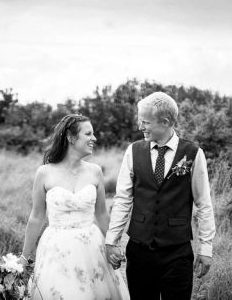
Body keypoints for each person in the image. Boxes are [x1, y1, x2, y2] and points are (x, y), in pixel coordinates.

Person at [105, 92, 216, 300]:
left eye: (145, 122)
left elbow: (204, 204)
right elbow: (122, 199)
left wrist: (205, 248)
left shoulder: (193, 153)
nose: (140, 127)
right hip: (139, 250)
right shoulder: (133, 151)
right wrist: (112, 239)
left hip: (177, 252)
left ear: (165, 122)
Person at [20, 113, 130, 300]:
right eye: (88, 134)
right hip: (56, 249)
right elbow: (36, 217)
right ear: (71, 138)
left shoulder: (95, 172)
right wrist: (24, 257)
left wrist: (114, 244)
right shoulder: (44, 173)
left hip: (91, 248)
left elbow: (102, 214)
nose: (94, 138)